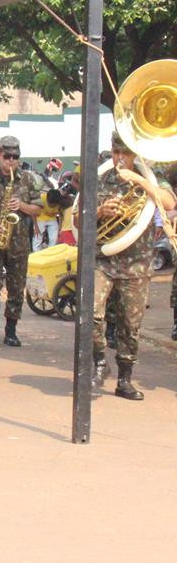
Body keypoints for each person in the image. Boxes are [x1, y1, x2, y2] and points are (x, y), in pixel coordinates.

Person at [86, 131, 176, 400]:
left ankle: (125, 378)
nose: (120, 159)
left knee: (130, 324)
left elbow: (169, 202)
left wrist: (139, 179)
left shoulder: (149, 178)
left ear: (134, 154)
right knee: (90, 313)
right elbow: (79, 220)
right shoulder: (101, 178)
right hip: (103, 259)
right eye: (116, 153)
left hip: (136, 264)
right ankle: (100, 361)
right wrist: (101, 212)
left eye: (125, 153)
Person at [0, 136, 43, 347]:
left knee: (16, 287)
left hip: (19, 242)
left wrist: (22, 206)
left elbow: (39, 209)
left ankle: (11, 330)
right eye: (7, 156)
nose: (11, 161)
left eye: (15, 157)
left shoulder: (28, 179)